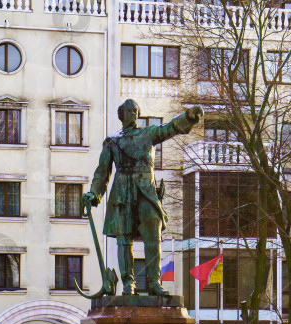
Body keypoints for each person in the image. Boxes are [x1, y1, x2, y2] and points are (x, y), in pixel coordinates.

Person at [83, 99, 203, 295]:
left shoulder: (148, 133)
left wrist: (188, 117)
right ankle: (128, 282)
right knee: (124, 239)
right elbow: (102, 172)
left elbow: (169, 128)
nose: (134, 114)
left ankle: (155, 282)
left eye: (136, 111)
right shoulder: (112, 141)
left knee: (153, 235)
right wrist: (94, 194)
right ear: (121, 115)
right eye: (130, 111)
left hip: (146, 190)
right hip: (122, 191)